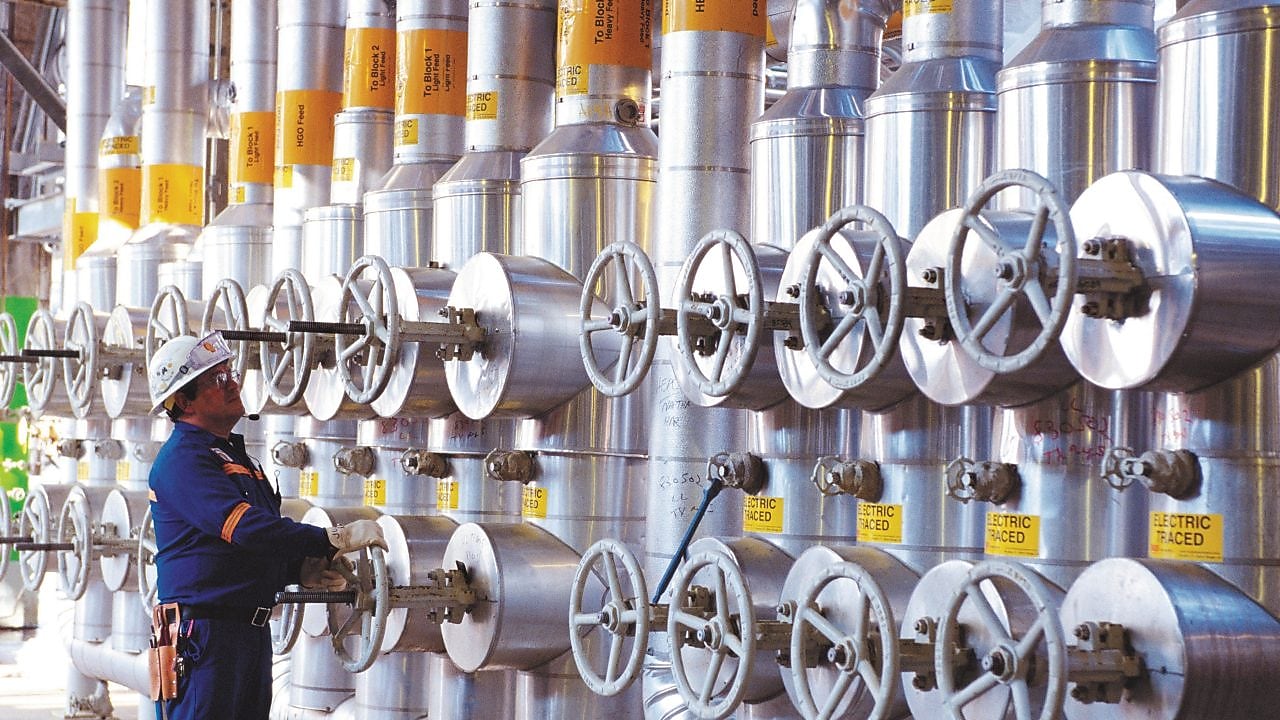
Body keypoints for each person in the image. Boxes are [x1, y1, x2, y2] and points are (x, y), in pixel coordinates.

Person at [146, 330, 386, 720]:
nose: (232, 384)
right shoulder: (183, 461)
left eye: (230, 372)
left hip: (247, 632)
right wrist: (328, 540)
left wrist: (298, 570)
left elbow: (251, 547)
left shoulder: (235, 458)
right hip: (205, 638)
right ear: (182, 402)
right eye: (217, 379)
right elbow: (246, 529)